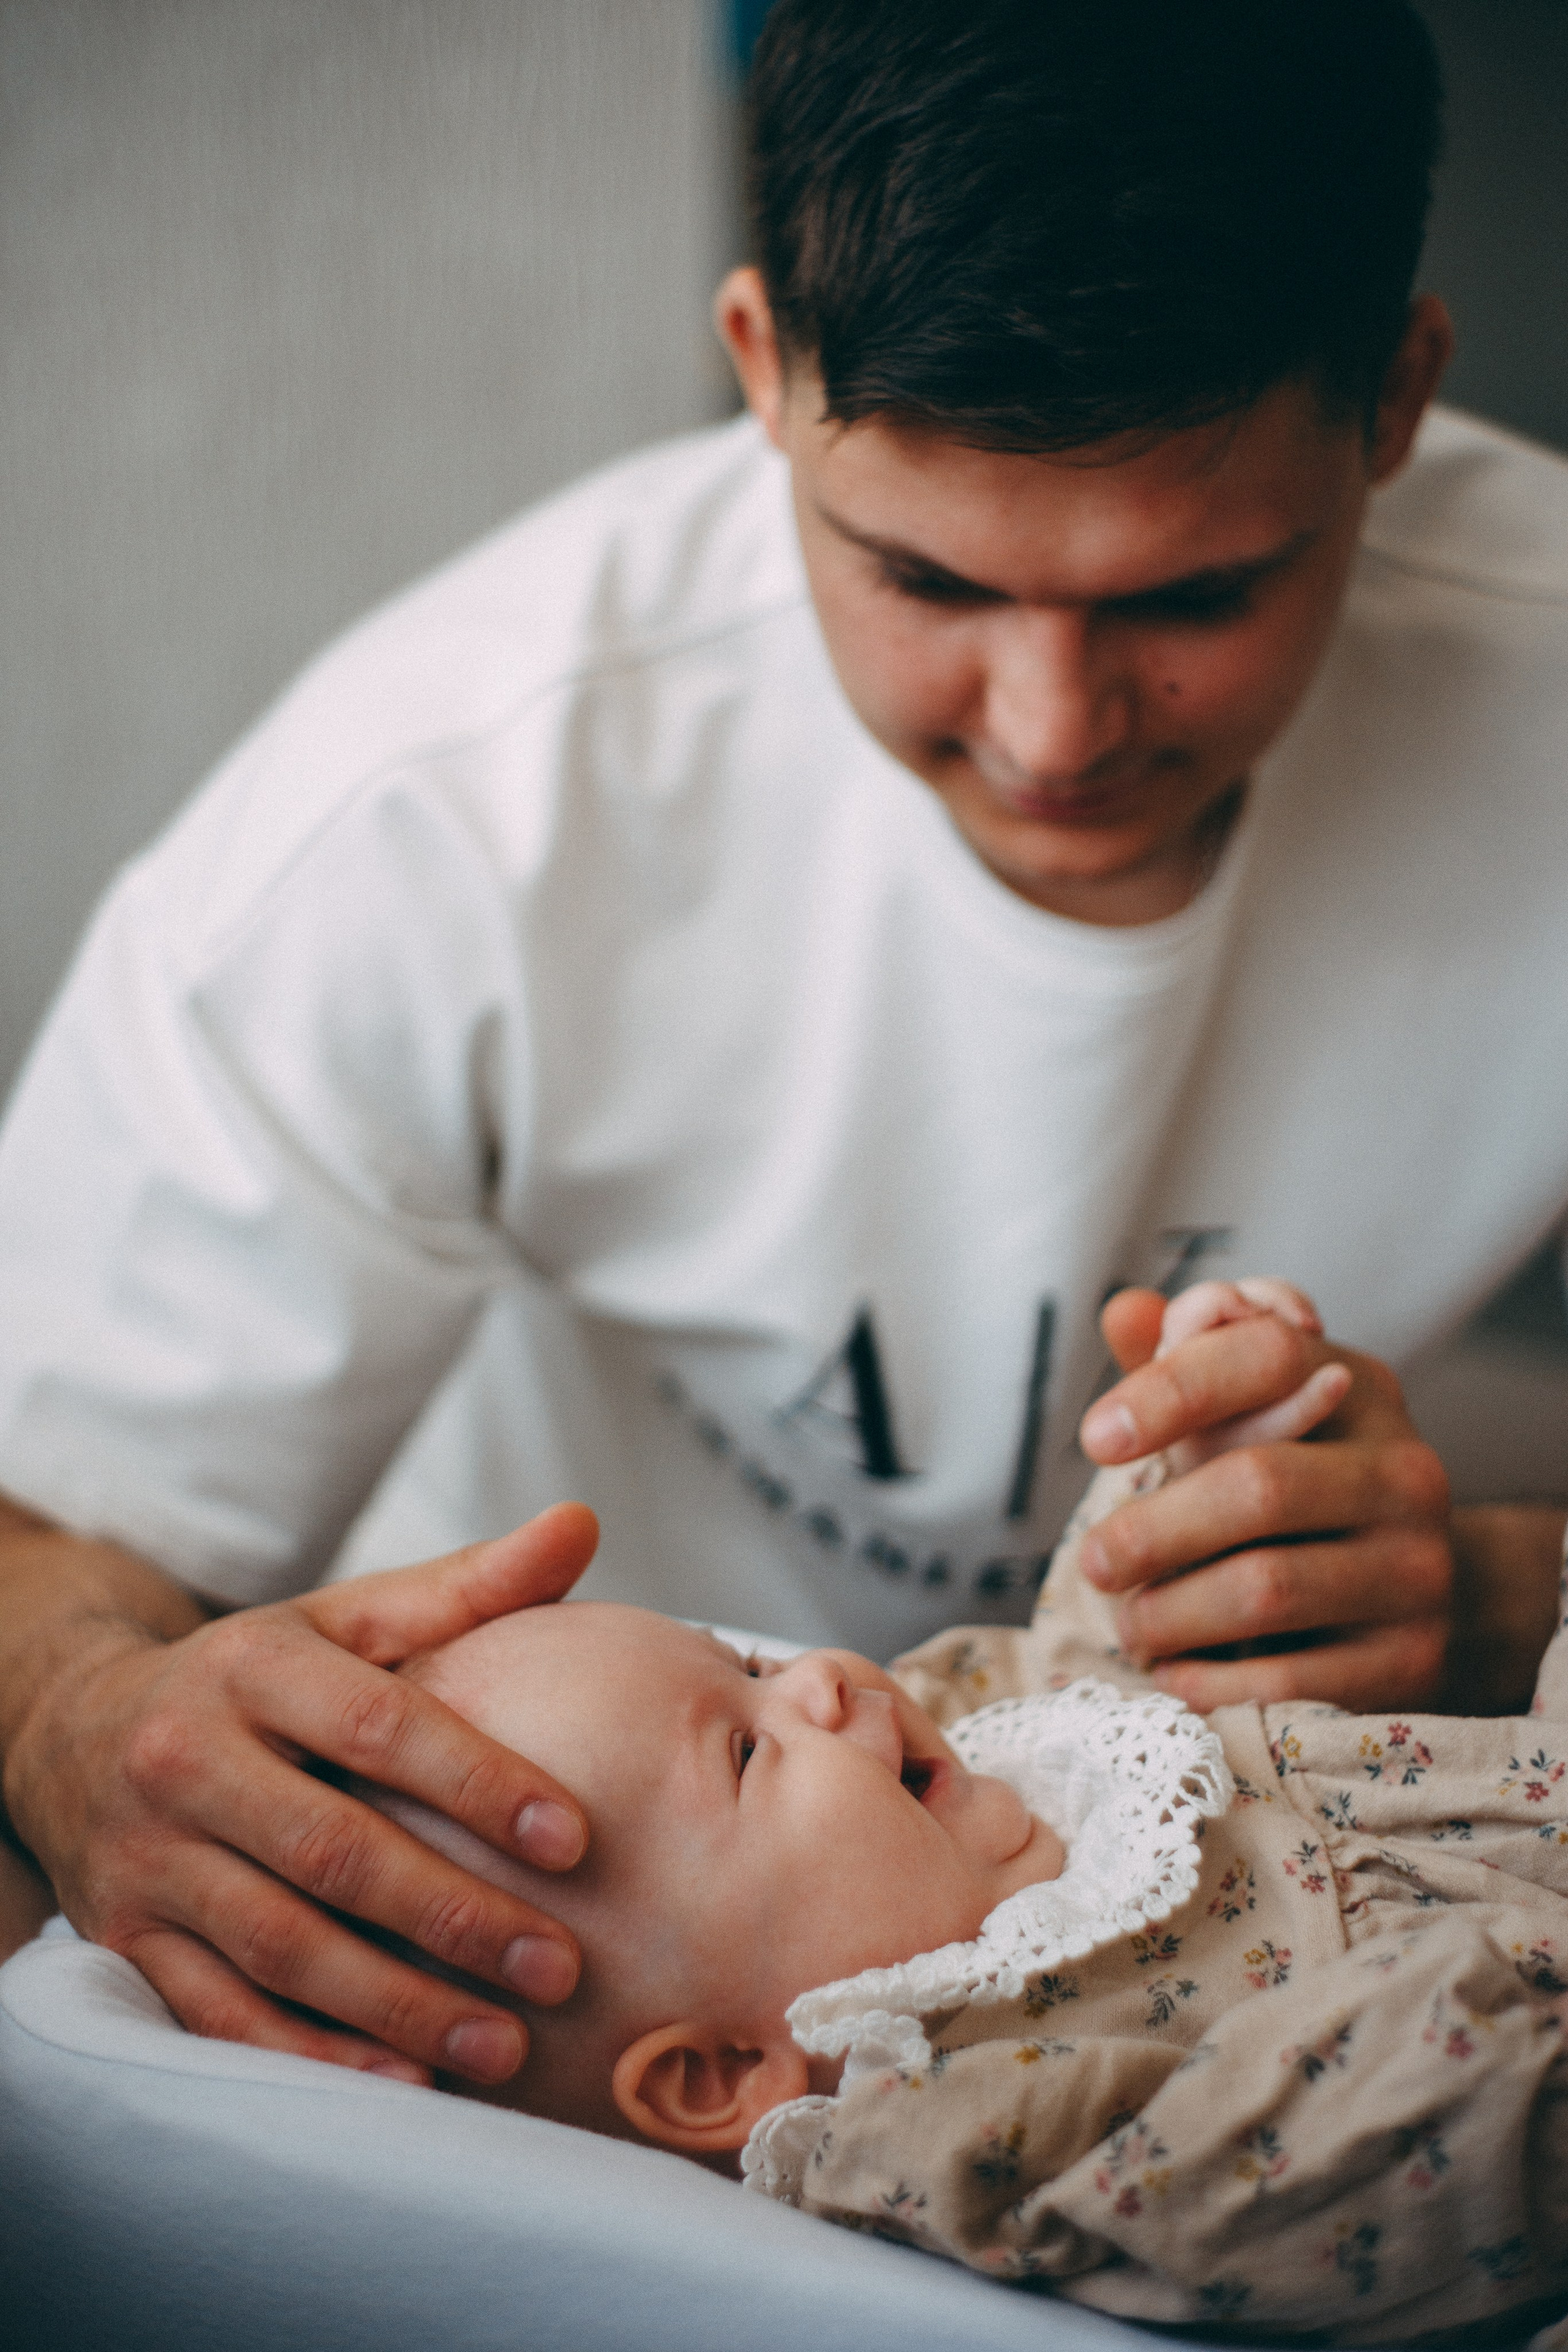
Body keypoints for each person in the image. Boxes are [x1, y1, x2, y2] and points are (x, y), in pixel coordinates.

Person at [2, 0, 1567, 2094]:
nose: (1047, 730)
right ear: (762, 370)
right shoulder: (444, 804)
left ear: (1396, 398)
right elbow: (43, 1519)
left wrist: (1484, 1587)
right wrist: (69, 1716)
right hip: (596, 1961)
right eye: (921, 573)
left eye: (1195, 595)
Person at [360, 1423, 1568, 2345]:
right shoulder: (963, 2126)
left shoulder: (964, 1736)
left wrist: (1181, 1476)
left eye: (744, 1662)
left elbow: (1093, 1655)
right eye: (742, 1746)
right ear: (724, 2071)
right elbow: (1252, 2183)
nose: (822, 1681)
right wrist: (1464, 2027)